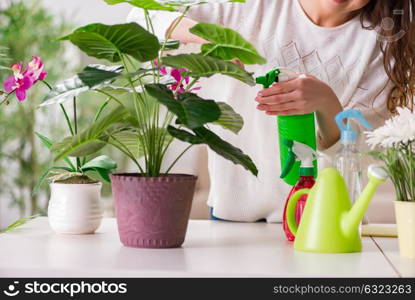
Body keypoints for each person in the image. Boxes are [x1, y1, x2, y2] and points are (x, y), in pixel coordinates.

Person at [128, 0, 415, 222]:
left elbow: (357, 152)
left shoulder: (387, 46)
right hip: (233, 214)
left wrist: (327, 102)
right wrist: (209, 39)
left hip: (323, 222)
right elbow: (140, 20)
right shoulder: (253, 8)